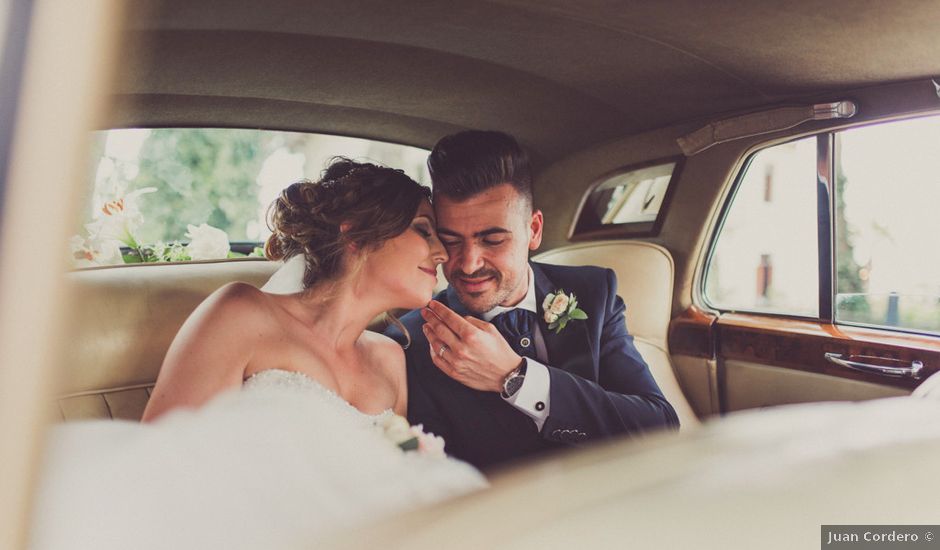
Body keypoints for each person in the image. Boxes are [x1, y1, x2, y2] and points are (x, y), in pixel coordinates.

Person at [30, 159, 486, 550]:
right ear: (356, 233)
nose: (443, 252)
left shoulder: (391, 358)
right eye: (424, 230)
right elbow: (159, 464)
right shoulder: (243, 313)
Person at [387, 131, 680, 470]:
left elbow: (658, 427)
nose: (468, 263)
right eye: (451, 241)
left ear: (534, 230)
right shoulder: (409, 341)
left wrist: (516, 377)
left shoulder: (593, 292)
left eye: (493, 239)